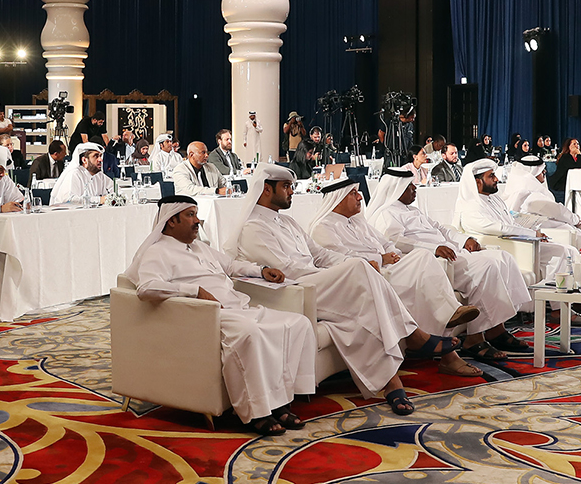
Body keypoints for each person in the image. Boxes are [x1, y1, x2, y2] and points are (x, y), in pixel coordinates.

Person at [231, 164, 439, 415]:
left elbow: (320, 254)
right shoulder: (254, 227)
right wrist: (340, 272)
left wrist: (350, 264)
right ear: (266, 189)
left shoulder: (288, 222)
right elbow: (287, 270)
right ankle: (413, 335)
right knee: (358, 270)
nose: (292, 192)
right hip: (296, 289)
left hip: (319, 282)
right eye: (286, 187)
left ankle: (391, 380)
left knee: (363, 288)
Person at [126, 194, 316, 435]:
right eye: (190, 215)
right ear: (171, 221)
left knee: (297, 322)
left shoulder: (200, 247)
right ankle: (256, 413)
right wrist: (194, 291)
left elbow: (231, 265)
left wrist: (261, 270)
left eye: (196, 215)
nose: (198, 221)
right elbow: (146, 288)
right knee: (249, 333)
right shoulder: (158, 252)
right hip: (208, 316)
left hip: (237, 307)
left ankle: (280, 401)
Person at [308, 178, 482, 377]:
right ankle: (448, 337)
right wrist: (380, 258)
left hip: (389, 269)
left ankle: (448, 318)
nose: (360, 197)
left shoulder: (357, 222)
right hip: (368, 279)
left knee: (423, 257)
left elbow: (386, 242)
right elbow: (338, 262)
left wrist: (392, 255)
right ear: (337, 198)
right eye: (353, 193)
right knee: (421, 279)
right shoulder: (323, 227)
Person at [367, 168, 531, 359]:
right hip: (434, 260)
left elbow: (441, 229)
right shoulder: (386, 214)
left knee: (503, 257)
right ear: (396, 189)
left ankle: (497, 329)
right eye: (409, 186)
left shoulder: (413, 210)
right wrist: (434, 248)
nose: (415, 188)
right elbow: (396, 242)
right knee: (487, 266)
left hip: (450, 252)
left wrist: (464, 239)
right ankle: (474, 339)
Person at [456, 159, 581, 321]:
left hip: (521, 243)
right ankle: (559, 308)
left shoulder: (494, 199)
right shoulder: (470, 206)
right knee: (561, 253)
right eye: (491, 176)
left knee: (568, 251)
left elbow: (510, 223)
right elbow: (498, 228)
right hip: (506, 248)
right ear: (477, 182)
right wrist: (531, 235)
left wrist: (532, 233)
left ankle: (575, 301)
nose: (496, 179)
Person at [500, 155, 581, 281]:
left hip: (561, 230)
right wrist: (575, 219)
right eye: (541, 170)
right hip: (554, 234)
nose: (544, 172)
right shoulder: (529, 195)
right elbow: (558, 211)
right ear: (533, 173)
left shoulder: (520, 191)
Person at [550, 138, 581, 204]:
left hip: (573, 182)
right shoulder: (565, 157)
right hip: (561, 183)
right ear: (568, 146)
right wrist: (579, 154)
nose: (577, 146)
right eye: (574, 144)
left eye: (577, 144)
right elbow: (577, 168)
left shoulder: (577, 157)